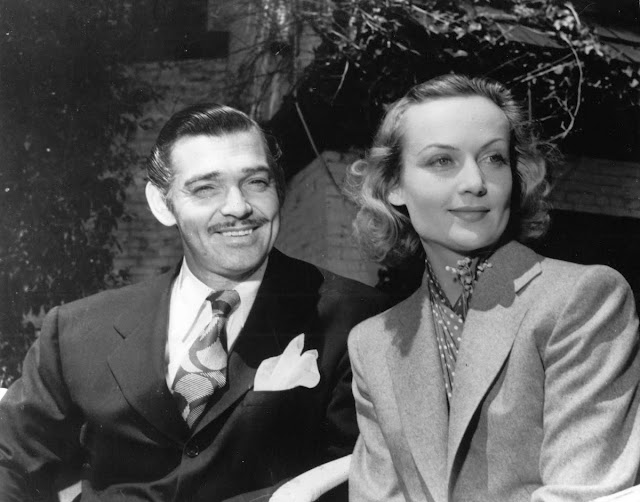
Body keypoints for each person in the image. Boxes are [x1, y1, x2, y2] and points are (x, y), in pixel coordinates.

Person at [0, 103, 389, 501]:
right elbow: (9, 463)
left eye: (256, 182)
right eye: (205, 188)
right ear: (162, 203)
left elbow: (366, 480)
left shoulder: (356, 320)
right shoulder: (77, 331)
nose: (238, 206)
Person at [345, 74, 640, 502]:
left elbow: (583, 494)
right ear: (394, 186)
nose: (475, 182)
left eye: (494, 158)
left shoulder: (584, 298)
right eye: (442, 161)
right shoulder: (372, 343)